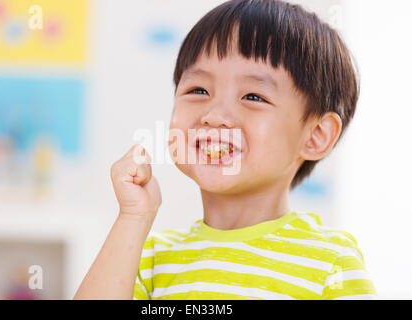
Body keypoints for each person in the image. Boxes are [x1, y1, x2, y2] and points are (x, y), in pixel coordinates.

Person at [74, 0, 377, 300]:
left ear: (315, 136)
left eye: (253, 96)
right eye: (199, 90)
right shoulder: (150, 260)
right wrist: (133, 216)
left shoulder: (330, 264)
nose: (215, 115)